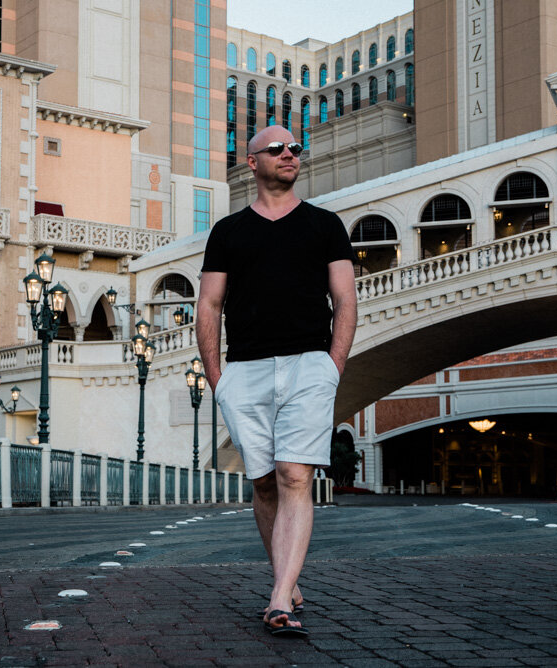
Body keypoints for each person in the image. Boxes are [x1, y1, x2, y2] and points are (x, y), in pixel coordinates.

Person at [196, 125, 357, 638]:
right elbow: (209, 305)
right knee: (263, 481)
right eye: (277, 149)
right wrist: (217, 377)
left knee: (294, 475)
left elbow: (346, 301)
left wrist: (332, 363)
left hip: (310, 364)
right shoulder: (228, 232)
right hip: (243, 370)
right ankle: (285, 579)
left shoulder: (325, 225)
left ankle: (279, 598)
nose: (290, 155)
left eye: (295, 149)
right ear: (251, 163)